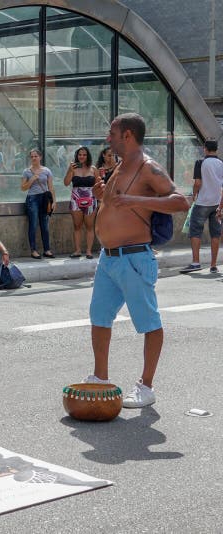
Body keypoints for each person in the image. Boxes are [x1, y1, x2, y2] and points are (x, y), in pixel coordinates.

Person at [85, 112, 189, 408]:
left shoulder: (148, 168)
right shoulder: (119, 167)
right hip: (109, 258)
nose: (108, 138)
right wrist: (100, 195)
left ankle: (146, 386)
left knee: (148, 322)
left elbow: (180, 201)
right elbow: (113, 205)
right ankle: (101, 377)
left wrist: (135, 200)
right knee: (99, 317)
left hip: (133, 257)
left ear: (128, 135)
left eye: (113, 134)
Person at [180, 140, 223, 274]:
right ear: (216, 149)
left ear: (205, 149)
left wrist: (194, 195)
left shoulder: (200, 162)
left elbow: (198, 183)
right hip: (217, 203)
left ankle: (195, 263)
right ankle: (213, 265)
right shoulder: (221, 163)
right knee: (215, 233)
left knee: (195, 231)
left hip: (202, 203)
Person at [64, 146, 98, 259]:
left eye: (84, 155)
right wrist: (69, 170)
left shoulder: (93, 169)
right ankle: (77, 250)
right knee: (77, 226)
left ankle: (88, 251)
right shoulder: (73, 168)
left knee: (89, 226)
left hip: (91, 200)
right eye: (80, 155)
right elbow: (66, 182)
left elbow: (99, 184)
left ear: (87, 156)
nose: (82, 157)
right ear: (77, 156)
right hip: (76, 200)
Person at [21, 148, 55, 259]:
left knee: (45, 225)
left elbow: (50, 187)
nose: (34, 158)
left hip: (44, 199)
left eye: (36, 156)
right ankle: (33, 250)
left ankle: (47, 249)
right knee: (33, 224)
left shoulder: (46, 170)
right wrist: (32, 179)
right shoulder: (26, 171)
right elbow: (23, 188)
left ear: (40, 157)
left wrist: (54, 201)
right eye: (32, 156)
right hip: (32, 199)